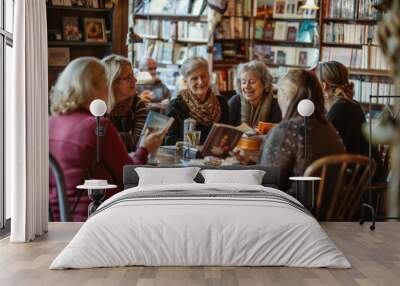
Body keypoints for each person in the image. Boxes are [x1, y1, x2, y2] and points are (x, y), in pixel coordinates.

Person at [49, 57, 164, 221]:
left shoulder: (50, 123)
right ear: (94, 87)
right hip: (96, 214)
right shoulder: (97, 126)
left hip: (55, 215)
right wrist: (144, 149)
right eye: (105, 82)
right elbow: (128, 174)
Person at [259, 69, 346, 195]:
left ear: (286, 96)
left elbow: (265, 181)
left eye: (278, 93)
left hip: (294, 208)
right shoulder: (328, 127)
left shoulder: (287, 130)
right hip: (330, 209)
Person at [165, 57, 230, 145]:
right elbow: (169, 140)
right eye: (194, 78)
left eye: (203, 76)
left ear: (209, 76)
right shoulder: (175, 106)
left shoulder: (222, 102)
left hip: (217, 156)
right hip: (187, 157)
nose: (200, 82)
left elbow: (229, 135)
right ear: (185, 81)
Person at [102, 54, 149, 152]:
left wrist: (109, 137)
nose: (135, 80)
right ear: (113, 82)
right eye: (128, 77)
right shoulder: (97, 105)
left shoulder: (138, 104)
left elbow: (139, 142)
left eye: (133, 75)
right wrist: (128, 137)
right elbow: (96, 142)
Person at [229, 60, 281, 127]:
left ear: (264, 83)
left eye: (252, 82)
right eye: (243, 82)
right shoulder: (235, 101)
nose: (247, 87)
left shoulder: (275, 105)